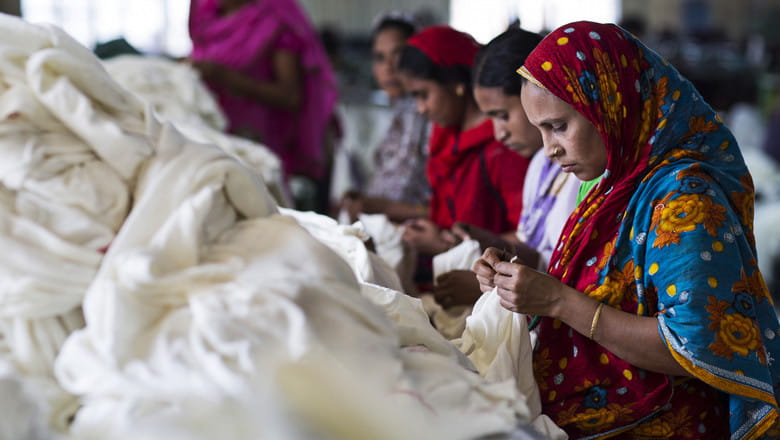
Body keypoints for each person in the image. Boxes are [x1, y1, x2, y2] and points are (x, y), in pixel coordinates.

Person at [474, 21, 780, 439]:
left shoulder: (685, 200)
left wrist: (559, 302)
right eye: (542, 129)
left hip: (666, 420)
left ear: (610, 105)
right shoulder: (616, 185)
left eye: (559, 126)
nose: (549, 148)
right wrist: (521, 290)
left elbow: (692, 347)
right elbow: (605, 293)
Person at [432, 27, 581, 309]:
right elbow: (539, 254)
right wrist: (495, 251)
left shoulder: (583, 172)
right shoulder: (540, 165)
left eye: (503, 116)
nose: (499, 133)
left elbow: (576, 276)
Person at [188, 0, 338, 211]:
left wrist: (225, 77)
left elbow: (290, 96)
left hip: (258, 145)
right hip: (212, 141)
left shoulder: (276, 20)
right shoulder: (206, 15)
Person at [397, 25, 531, 261]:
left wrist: (450, 247)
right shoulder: (447, 138)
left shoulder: (505, 147)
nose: (420, 109)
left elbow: (530, 239)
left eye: (424, 94)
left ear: (455, 84)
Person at [339, 13, 431, 224]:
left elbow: (440, 209)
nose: (388, 67)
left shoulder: (432, 115)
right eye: (379, 58)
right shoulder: (390, 116)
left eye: (398, 55)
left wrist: (377, 207)